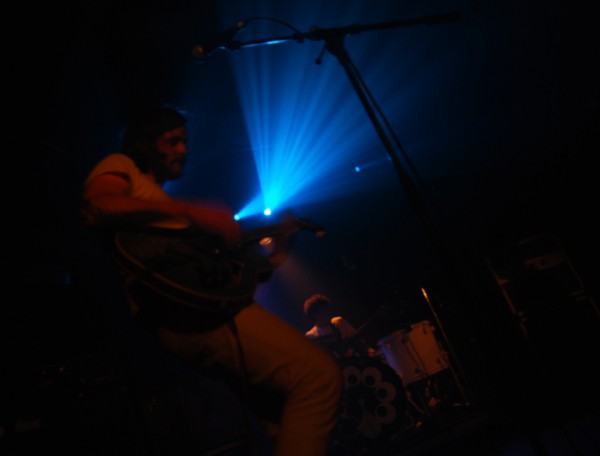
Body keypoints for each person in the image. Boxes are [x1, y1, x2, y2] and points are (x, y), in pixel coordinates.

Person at [81, 105, 342, 456]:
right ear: (144, 143)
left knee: (282, 415)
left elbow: (221, 281)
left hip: (196, 313)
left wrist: (278, 252)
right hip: (191, 317)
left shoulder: (160, 210)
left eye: (185, 142)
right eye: (172, 141)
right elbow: (97, 205)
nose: (183, 149)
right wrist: (191, 211)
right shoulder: (121, 164)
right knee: (319, 377)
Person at [303, 293, 373, 359]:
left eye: (328, 310)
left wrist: (368, 349)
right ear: (314, 315)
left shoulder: (338, 322)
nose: (329, 313)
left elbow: (357, 340)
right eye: (325, 311)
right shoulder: (310, 337)